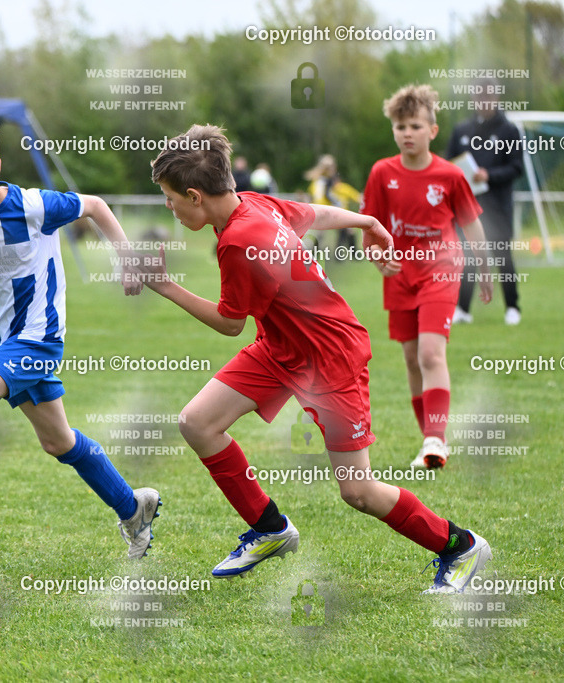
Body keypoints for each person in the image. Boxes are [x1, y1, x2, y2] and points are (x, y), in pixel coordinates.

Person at [136, 123, 490, 594]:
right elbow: (312, 214)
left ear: (196, 195)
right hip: (282, 348)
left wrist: (162, 284)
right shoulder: (253, 203)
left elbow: (228, 322)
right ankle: (270, 529)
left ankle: (460, 546)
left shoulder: (239, 242)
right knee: (198, 423)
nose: (169, 206)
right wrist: (365, 221)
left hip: (330, 359)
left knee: (358, 492)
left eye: (170, 197)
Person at [0, 108, 160, 572]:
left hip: (38, 338)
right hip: (3, 344)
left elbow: (95, 205)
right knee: (59, 441)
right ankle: (132, 509)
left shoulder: (33, 207)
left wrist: (127, 258)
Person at [361, 85, 493, 470]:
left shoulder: (450, 176)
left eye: (415, 125)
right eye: (400, 126)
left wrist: (485, 269)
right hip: (400, 275)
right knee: (411, 359)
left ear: (432, 131)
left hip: (442, 270)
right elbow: (369, 230)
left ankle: (436, 439)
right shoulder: (382, 173)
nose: (407, 133)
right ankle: (429, 442)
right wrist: (377, 260)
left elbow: (472, 225)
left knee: (431, 353)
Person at [445, 79, 525, 326]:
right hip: (466, 207)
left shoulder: (509, 130)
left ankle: (512, 307)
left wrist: (489, 176)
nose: (483, 102)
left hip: (497, 205)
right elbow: (447, 164)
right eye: (479, 97)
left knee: (503, 256)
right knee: (465, 256)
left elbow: (516, 167)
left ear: (497, 98)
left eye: (488, 97)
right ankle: (463, 309)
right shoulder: (462, 130)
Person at [304, 154, 362, 250]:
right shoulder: (326, 181)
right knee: (342, 229)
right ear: (328, 168)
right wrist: (337, 203)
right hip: (325, 209)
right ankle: (352, 253)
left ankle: (312, 254)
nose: (334, 168)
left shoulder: (319, 181)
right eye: (333, 166)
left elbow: (312, 195)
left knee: (324, 234)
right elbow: (327, 195)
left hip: (319, 209)